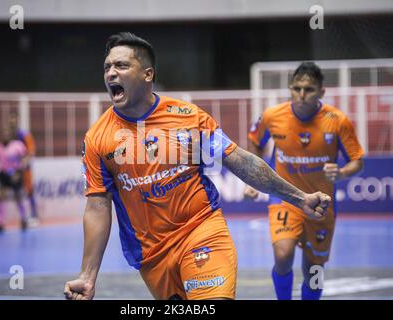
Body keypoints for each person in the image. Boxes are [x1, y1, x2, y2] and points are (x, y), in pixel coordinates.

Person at [63, 33, 331, 300]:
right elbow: (98, 205)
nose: (111, 73)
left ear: (147, 74)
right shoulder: (98, 138)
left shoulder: (187, 118)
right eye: (107, 67)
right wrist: (88, 275)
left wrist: (299, 197)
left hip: (201, 230)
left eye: (121, 65)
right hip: (152, 256)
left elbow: (239, 161)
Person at [245, 62, 364, 300]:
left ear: (321, 92)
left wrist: (342, 173)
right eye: (296, 88)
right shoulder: (272, 116)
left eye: (309, 89)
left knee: (314, 270)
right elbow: (255, 141)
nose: (301, 94)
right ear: (290, 89)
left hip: (321, 206)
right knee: (282, 255)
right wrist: (252, 176)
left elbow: (357, 161)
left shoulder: (338, 120)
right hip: (284, 198)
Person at [0, 126, 29, 233]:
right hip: (3, 174)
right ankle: (1, 223)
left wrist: (20, 170)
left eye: (7, 133)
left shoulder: (17, 145)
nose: (5, 135)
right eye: (3, 133)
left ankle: (24, 219)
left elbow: (25, 158)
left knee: (18, 197)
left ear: (10, 135)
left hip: (15, 173)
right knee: (1, 197)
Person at [8, 112, 39, 227]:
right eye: (10, 121)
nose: (12, 123)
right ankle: (23, 217)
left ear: (18, 121)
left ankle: (35, 216)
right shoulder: (8, 137)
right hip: (12, 170)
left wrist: (23, 163)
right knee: (16, 193)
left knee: (29, 191)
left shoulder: (24, 135)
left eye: (14, 121)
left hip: (24, 169)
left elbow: (31, 151)